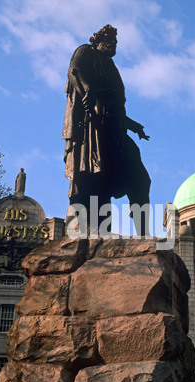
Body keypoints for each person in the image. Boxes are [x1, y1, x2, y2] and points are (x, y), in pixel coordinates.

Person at [62, 24, 151, 236]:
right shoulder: (85, 51)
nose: (113, 46)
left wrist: (133, 125)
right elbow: (74, 71)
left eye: (116, 43)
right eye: (109, 41)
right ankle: (96, 233)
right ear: (98, 40)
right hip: (94, 129)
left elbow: (114, 104)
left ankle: (143, 235)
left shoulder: (111, 66)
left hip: (116, 130)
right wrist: (86, 88)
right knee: (96, 180)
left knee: (140, 179)